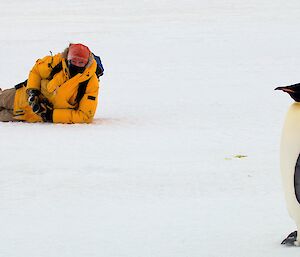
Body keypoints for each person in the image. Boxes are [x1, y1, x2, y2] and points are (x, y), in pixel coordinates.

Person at [0, 43, 102, 123]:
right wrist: (32, 91)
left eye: (81, 62)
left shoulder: (90, 83)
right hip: (19, 96)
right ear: (68, 58)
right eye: (74, 61)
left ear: (87, 62)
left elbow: (85, 116)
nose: (76, 65)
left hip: (28, 115)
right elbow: (36, 71)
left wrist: (51, 115)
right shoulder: (56, 62)